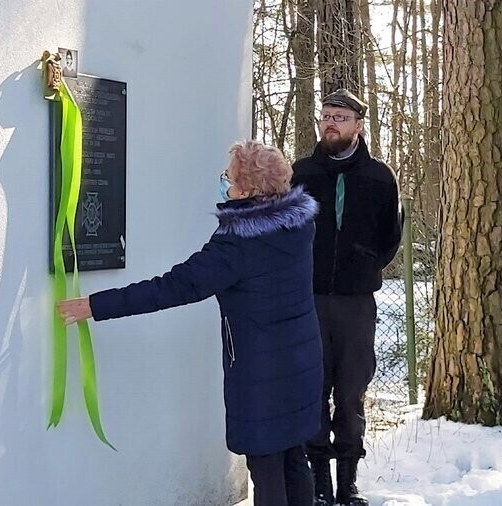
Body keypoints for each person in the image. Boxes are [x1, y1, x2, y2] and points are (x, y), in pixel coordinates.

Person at [57, 140, 323, 506]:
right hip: (302, 361)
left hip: (260, 371)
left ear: (246, 190)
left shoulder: (237, 244)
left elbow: (174, 286)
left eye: (228, 178)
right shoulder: (298, 226)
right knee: (294, 456)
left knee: (266, 465)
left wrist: (95, 305)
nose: (223, 183)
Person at [291, 89, 401, 505]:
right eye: (325, 116)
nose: (330, 123)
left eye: (339, 116)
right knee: (313, 386)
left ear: (358, 124)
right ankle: (318, 478)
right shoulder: (302, 174)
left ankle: (347, 480)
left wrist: (365, 264)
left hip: (356, 303)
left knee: (351, 391)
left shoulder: (378, 177)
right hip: (311, 298)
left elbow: (390, 235)